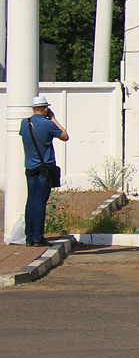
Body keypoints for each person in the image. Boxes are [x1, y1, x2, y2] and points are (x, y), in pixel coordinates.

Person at [20, 94, 69, 247]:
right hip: (44, 167)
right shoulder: (48, 124)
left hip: (30, 166)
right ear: (45, 109)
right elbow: (65, 136)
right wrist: (53, 118)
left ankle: (29, 237)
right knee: (40, 202)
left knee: (31, 201)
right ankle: (38, 237)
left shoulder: (25, 123)